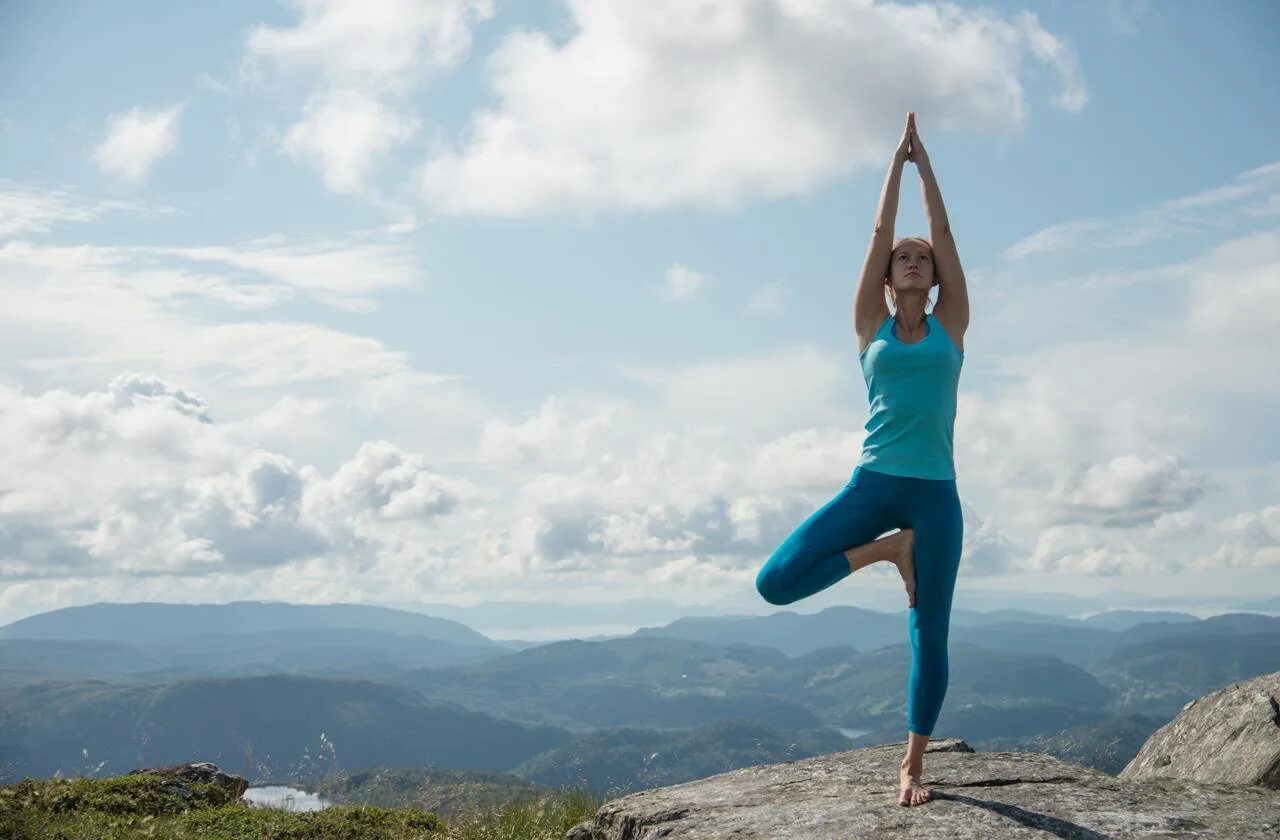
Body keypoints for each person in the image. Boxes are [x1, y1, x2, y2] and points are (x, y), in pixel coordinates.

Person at [754, 112, 969, 807]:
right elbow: (879, 234)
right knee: (775, 580)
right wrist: (893, 165)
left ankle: (912, 767)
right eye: (902, 257)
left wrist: (926, 167)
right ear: (887, 274)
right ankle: (888, 552)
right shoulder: (868, 326)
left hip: (935, 493)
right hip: (873, 488)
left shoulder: (952, 326)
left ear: (933, 279)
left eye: (922, 259)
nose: (913, 258)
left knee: (928, 635)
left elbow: (945, 234)